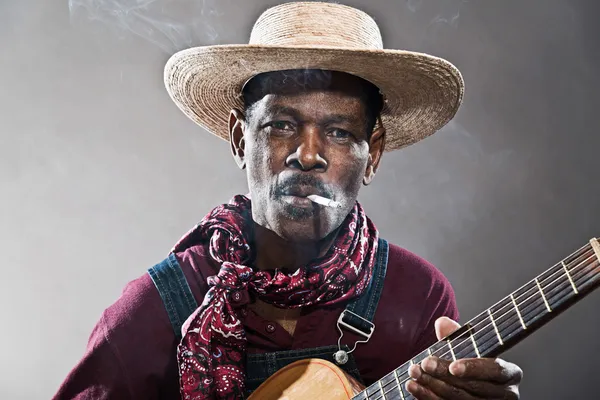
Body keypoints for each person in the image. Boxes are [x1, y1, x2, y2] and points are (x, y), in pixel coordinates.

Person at [53, 2, 523, 399]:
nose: (308, 155)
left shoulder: (418, 296)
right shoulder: (155, 309)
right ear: (240, 139)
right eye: (281, 125)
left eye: (339, 133)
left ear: (373, 153)